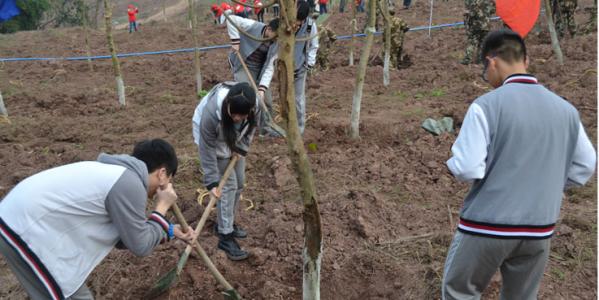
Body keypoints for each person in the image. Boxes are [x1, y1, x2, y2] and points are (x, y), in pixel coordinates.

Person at [442, 29, 596, 300]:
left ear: (491, 62)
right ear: (526, 60)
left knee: (459, 292)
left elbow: (468, 167)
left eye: (484, 70)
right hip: (539, 229)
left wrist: (452, 163)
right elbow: (586, 164)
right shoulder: (566, 110)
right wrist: (547, 184)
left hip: (486, 226)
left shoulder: (486, 106)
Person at [0, 139, 196, 300]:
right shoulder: (130, 183)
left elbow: (124, 238)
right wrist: (162, 207)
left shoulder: (116, 174)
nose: (164, 188)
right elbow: (140, 246)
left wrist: (169, 230)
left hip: (16, 223)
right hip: (27, 231)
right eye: (169, 179)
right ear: (162, 174)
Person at [192, 82, 260, 261]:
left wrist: (242, 147)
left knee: (239, 183)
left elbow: (252, 127)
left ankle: (226, 220)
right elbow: (206, 149)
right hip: (212, 141)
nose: (238, 118)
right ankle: (225, 235)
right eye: (234, 114)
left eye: (242, 115)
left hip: (234, 139)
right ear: (228, 105)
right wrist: (212, 181)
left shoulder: (255, 106)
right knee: (227, 186)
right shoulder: (211, 114)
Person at [224, 10, 279, 136]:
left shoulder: (277, 44)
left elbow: (269, 68)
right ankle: (238, 127)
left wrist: (262, 89)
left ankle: (266, 129)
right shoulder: (253, 26)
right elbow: (231, 18)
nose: (274, 40)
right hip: (243, 65)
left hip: (260, 70)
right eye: (274, 36)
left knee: (267, 101)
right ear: (269, 29)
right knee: (245, 96)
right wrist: (235, 41)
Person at [290, 0, 319, 135]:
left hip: (300, 67)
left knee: (298, 98)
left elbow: (314, 45)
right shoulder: (284, 22)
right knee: (285, 95)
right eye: (296, 19)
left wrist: (309, 63)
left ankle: (300, 125)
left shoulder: (310, 26)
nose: (298, 23)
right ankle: (289, 119)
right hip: (284, 68)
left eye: (300, 21)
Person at [461, 0, 495, 64]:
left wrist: (466, 13)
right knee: (482, 43)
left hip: (476, 25)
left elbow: (472, 13)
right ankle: (480, 59)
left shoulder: (473, 1)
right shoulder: (490, 1)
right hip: (486, 25)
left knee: (472, 42)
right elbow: (493, 11)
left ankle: (467, 59)